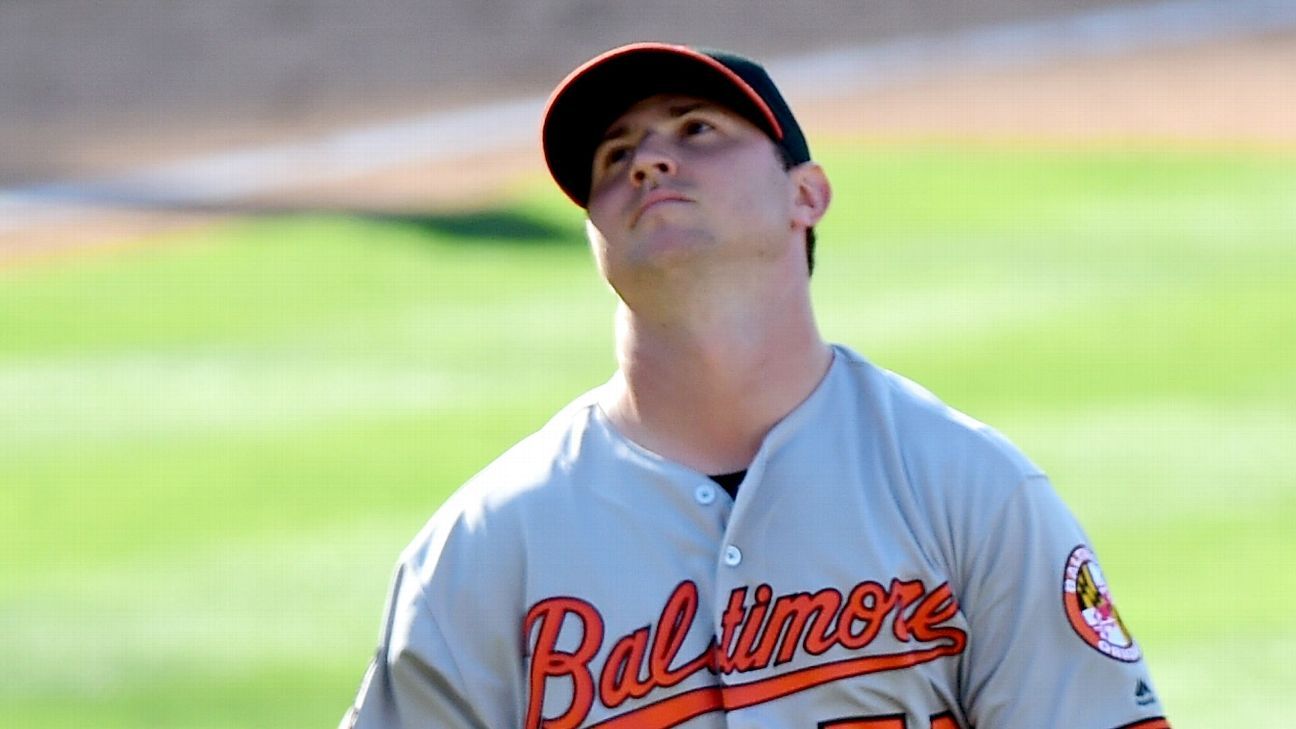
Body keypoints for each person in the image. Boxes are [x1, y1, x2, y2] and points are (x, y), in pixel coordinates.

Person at [340, 42, 1171, 729]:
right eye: (614, 154)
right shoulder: (485, 547)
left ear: (804, 195)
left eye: (698, 129)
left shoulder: (965, 487)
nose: (649, 160)